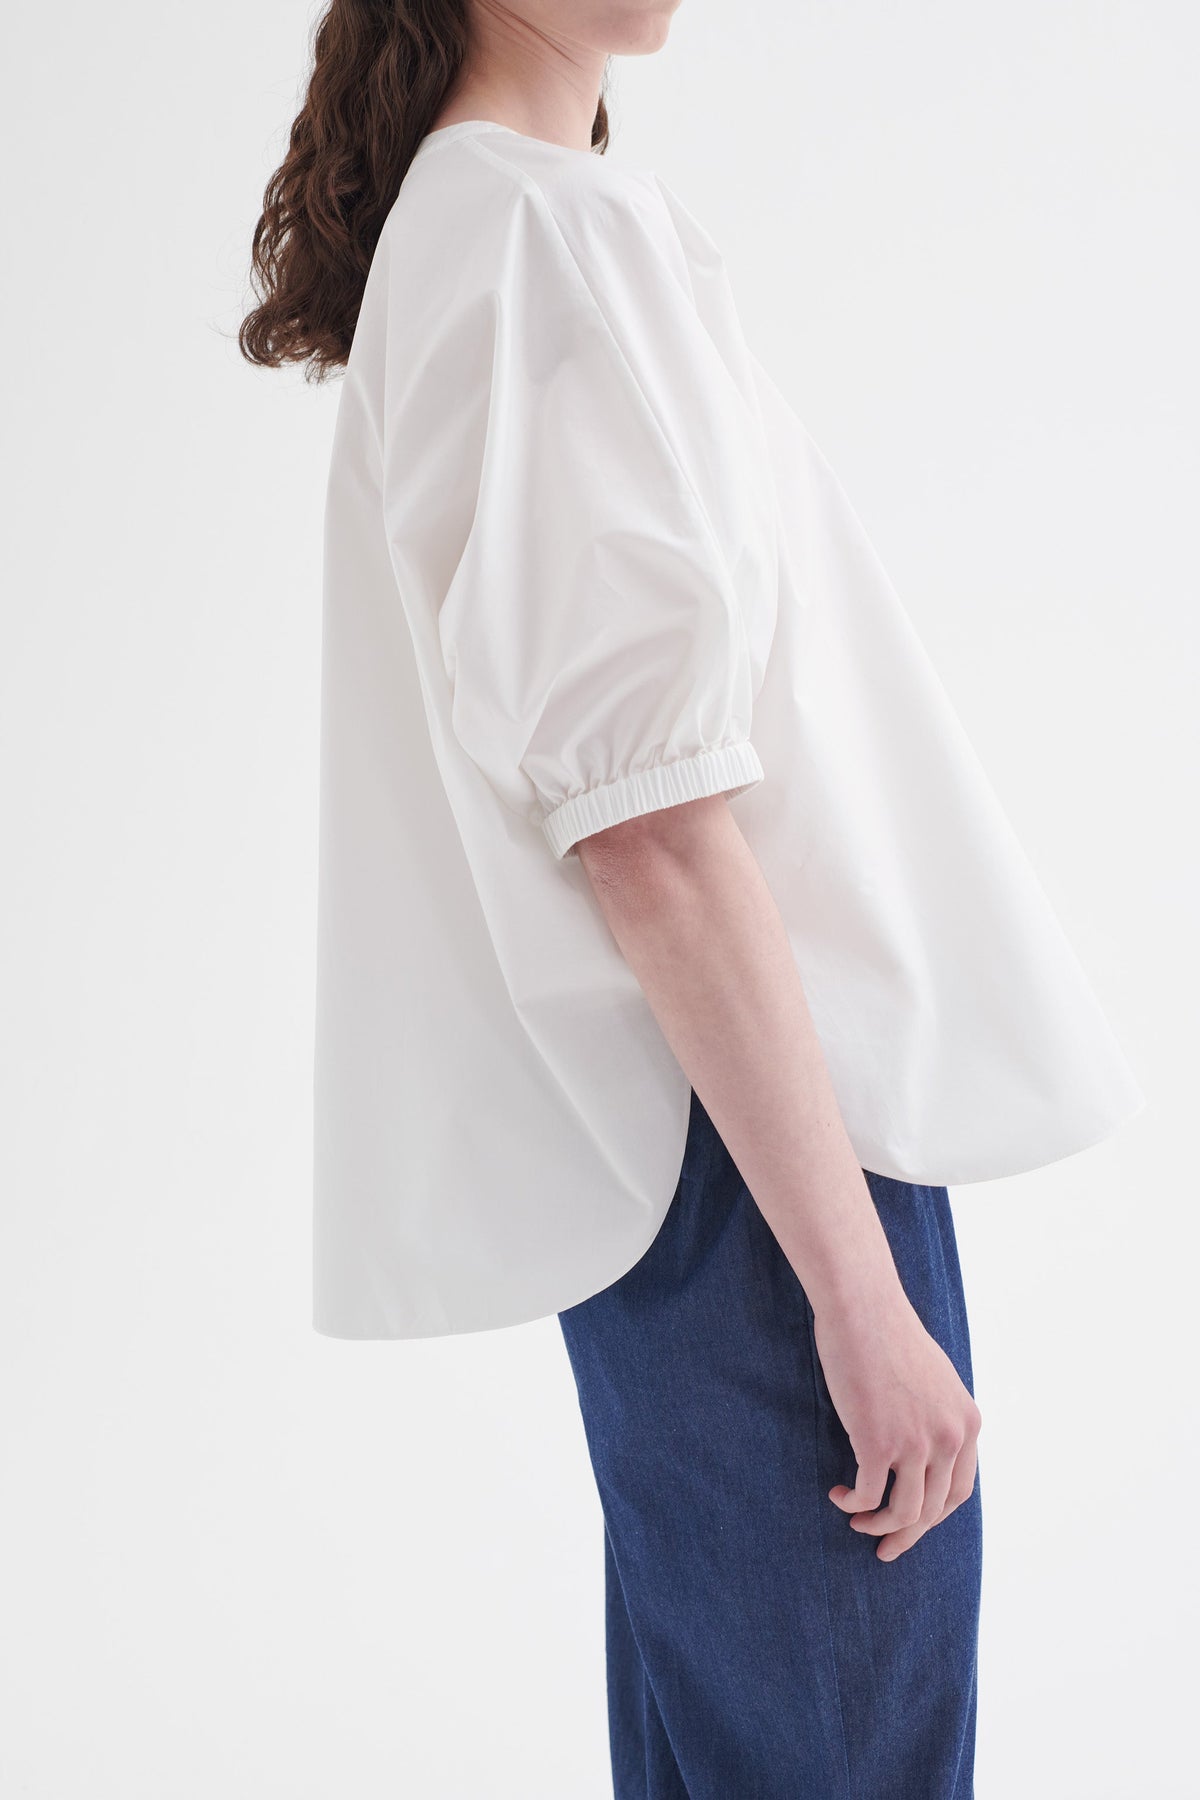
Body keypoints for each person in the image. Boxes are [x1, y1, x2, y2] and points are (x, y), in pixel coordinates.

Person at [240, 4, 1145, 1794]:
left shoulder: (496, 227)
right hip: (752, 1167)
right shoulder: (531, 236)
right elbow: (646, 829)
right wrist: (856, 1294)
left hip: (707, 1157)